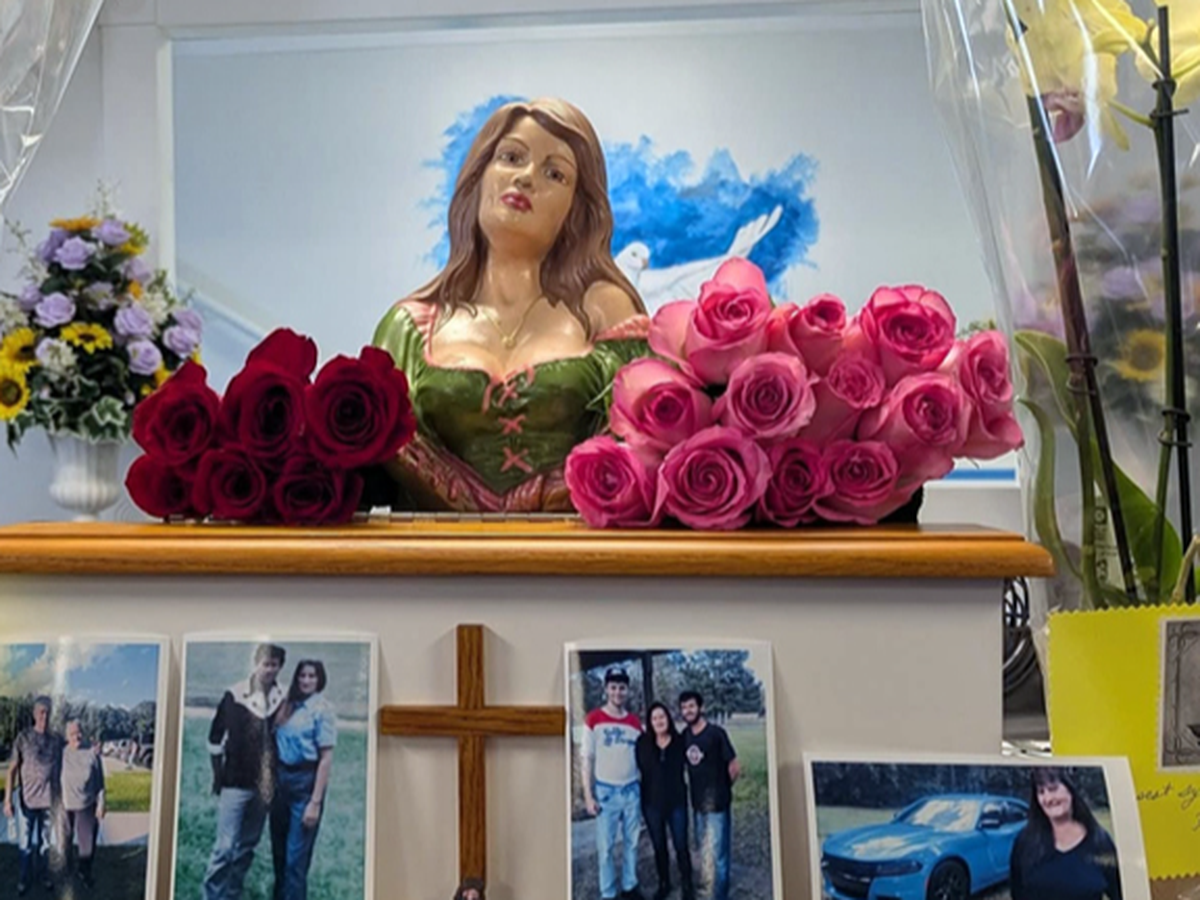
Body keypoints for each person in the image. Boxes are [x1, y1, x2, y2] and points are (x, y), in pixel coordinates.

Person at [372, 97, 650, 513]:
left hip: (576, 552)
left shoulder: (604, 312)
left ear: (576, 209)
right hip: (434, 552)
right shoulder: (409, 328)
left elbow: (640, 437)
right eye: (511, 157)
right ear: (480, 176)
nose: (525, 177)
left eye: (554, 173)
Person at [203, 643, 287, 900]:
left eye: (274, 664)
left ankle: (232, 893)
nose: (269, 669)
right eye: (265, 663)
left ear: (280, 667)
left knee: (247, 846)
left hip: (264, 788)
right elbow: (215, 737)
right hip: (235, 783)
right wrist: (217, 775)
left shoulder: (283, 697)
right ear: (255, 663)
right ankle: (212, 895)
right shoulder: (235, 695)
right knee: (225, 847)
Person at [270, 660, 336, 900]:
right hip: (280, 782)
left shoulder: (322, 709)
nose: (306, 680)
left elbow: (326, 759)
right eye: (302, 675)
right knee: (279, 854)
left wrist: (314, 803)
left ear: (320, 680)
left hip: (305, 784)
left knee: (295, 860)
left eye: (312, 676)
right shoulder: (288, 705)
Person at [1009, 767, 1122, 900]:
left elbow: (1121, 892)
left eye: (1053, 789)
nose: (1048, 798)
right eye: (1041, 792)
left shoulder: (1100, 842)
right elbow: (1017, 893)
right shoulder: (1025, 842)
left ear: (1070, 789)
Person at [581, 667, 644, 900]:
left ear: (627, 690)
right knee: (605, 848)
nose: (618, 692)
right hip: (606, 792)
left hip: (631, 790)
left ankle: (630, 885)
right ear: (606, 689)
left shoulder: (634, 723)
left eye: (622, 687)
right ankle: (607, 892)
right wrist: (588, 796)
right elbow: (587, 758)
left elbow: (642, 757)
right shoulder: (593, 719)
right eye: (614, 687)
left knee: (632, 843)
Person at [680, 691, 740, 900]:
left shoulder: (716, 733)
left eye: (691, 706)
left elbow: (734, 766)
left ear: (701, 707)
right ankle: (708, 891)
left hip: (717, 806)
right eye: (684, 707)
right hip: (697, 806)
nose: (687, 711)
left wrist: (723, 789)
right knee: (704, 852)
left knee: (719, 855)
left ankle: (720, 895)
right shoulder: (685, 736)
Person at [4, 695, 63, 896]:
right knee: (26, 845)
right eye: (41, 712)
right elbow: (12, 770)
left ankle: (43, 876)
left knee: (45, 845)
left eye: (48, 712)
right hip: (26, 803)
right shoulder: (23, 738)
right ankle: (24, 878)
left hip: (47, 802)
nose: (44, 716)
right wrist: (8, 800)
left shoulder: (55, 740)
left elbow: (63, 763)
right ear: (34, 714)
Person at [635, 702, 693, 900]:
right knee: (659, 846)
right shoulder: (642, 743)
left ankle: (687, 884)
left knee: (681, 845)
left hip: (677, 803)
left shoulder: (680, 741)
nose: (659, 721)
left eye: (662, 717)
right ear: (650, 722)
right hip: (652, 804)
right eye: (654, 718)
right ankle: (664, 883)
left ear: (668, 718)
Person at [59, 719, 106, 889]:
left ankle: (84, 873)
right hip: (65, 806)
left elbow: (100, 782)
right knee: (65, 843)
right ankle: (68, 871)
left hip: (86, 805)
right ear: (67, 736)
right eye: (72, 734)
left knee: (87, 846)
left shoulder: (91, 753)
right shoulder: (61, 753)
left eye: (78, 732)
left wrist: (101, 803)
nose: (76, 736)